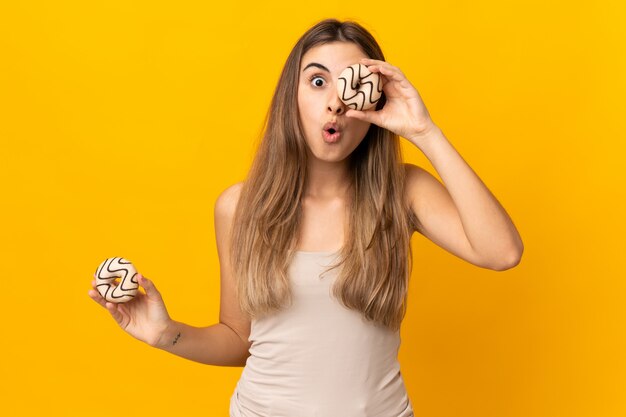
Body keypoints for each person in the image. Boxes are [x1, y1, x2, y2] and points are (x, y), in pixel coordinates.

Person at [88, 18, 523, 417]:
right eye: (317, 81)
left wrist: (423, 130)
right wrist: (167, 334)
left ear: (374, 103)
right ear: (290, 97)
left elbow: (502, 252)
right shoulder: (239, 208)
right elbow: (240, 340)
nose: (335, 103)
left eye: (352, 85)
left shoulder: (402, 192)